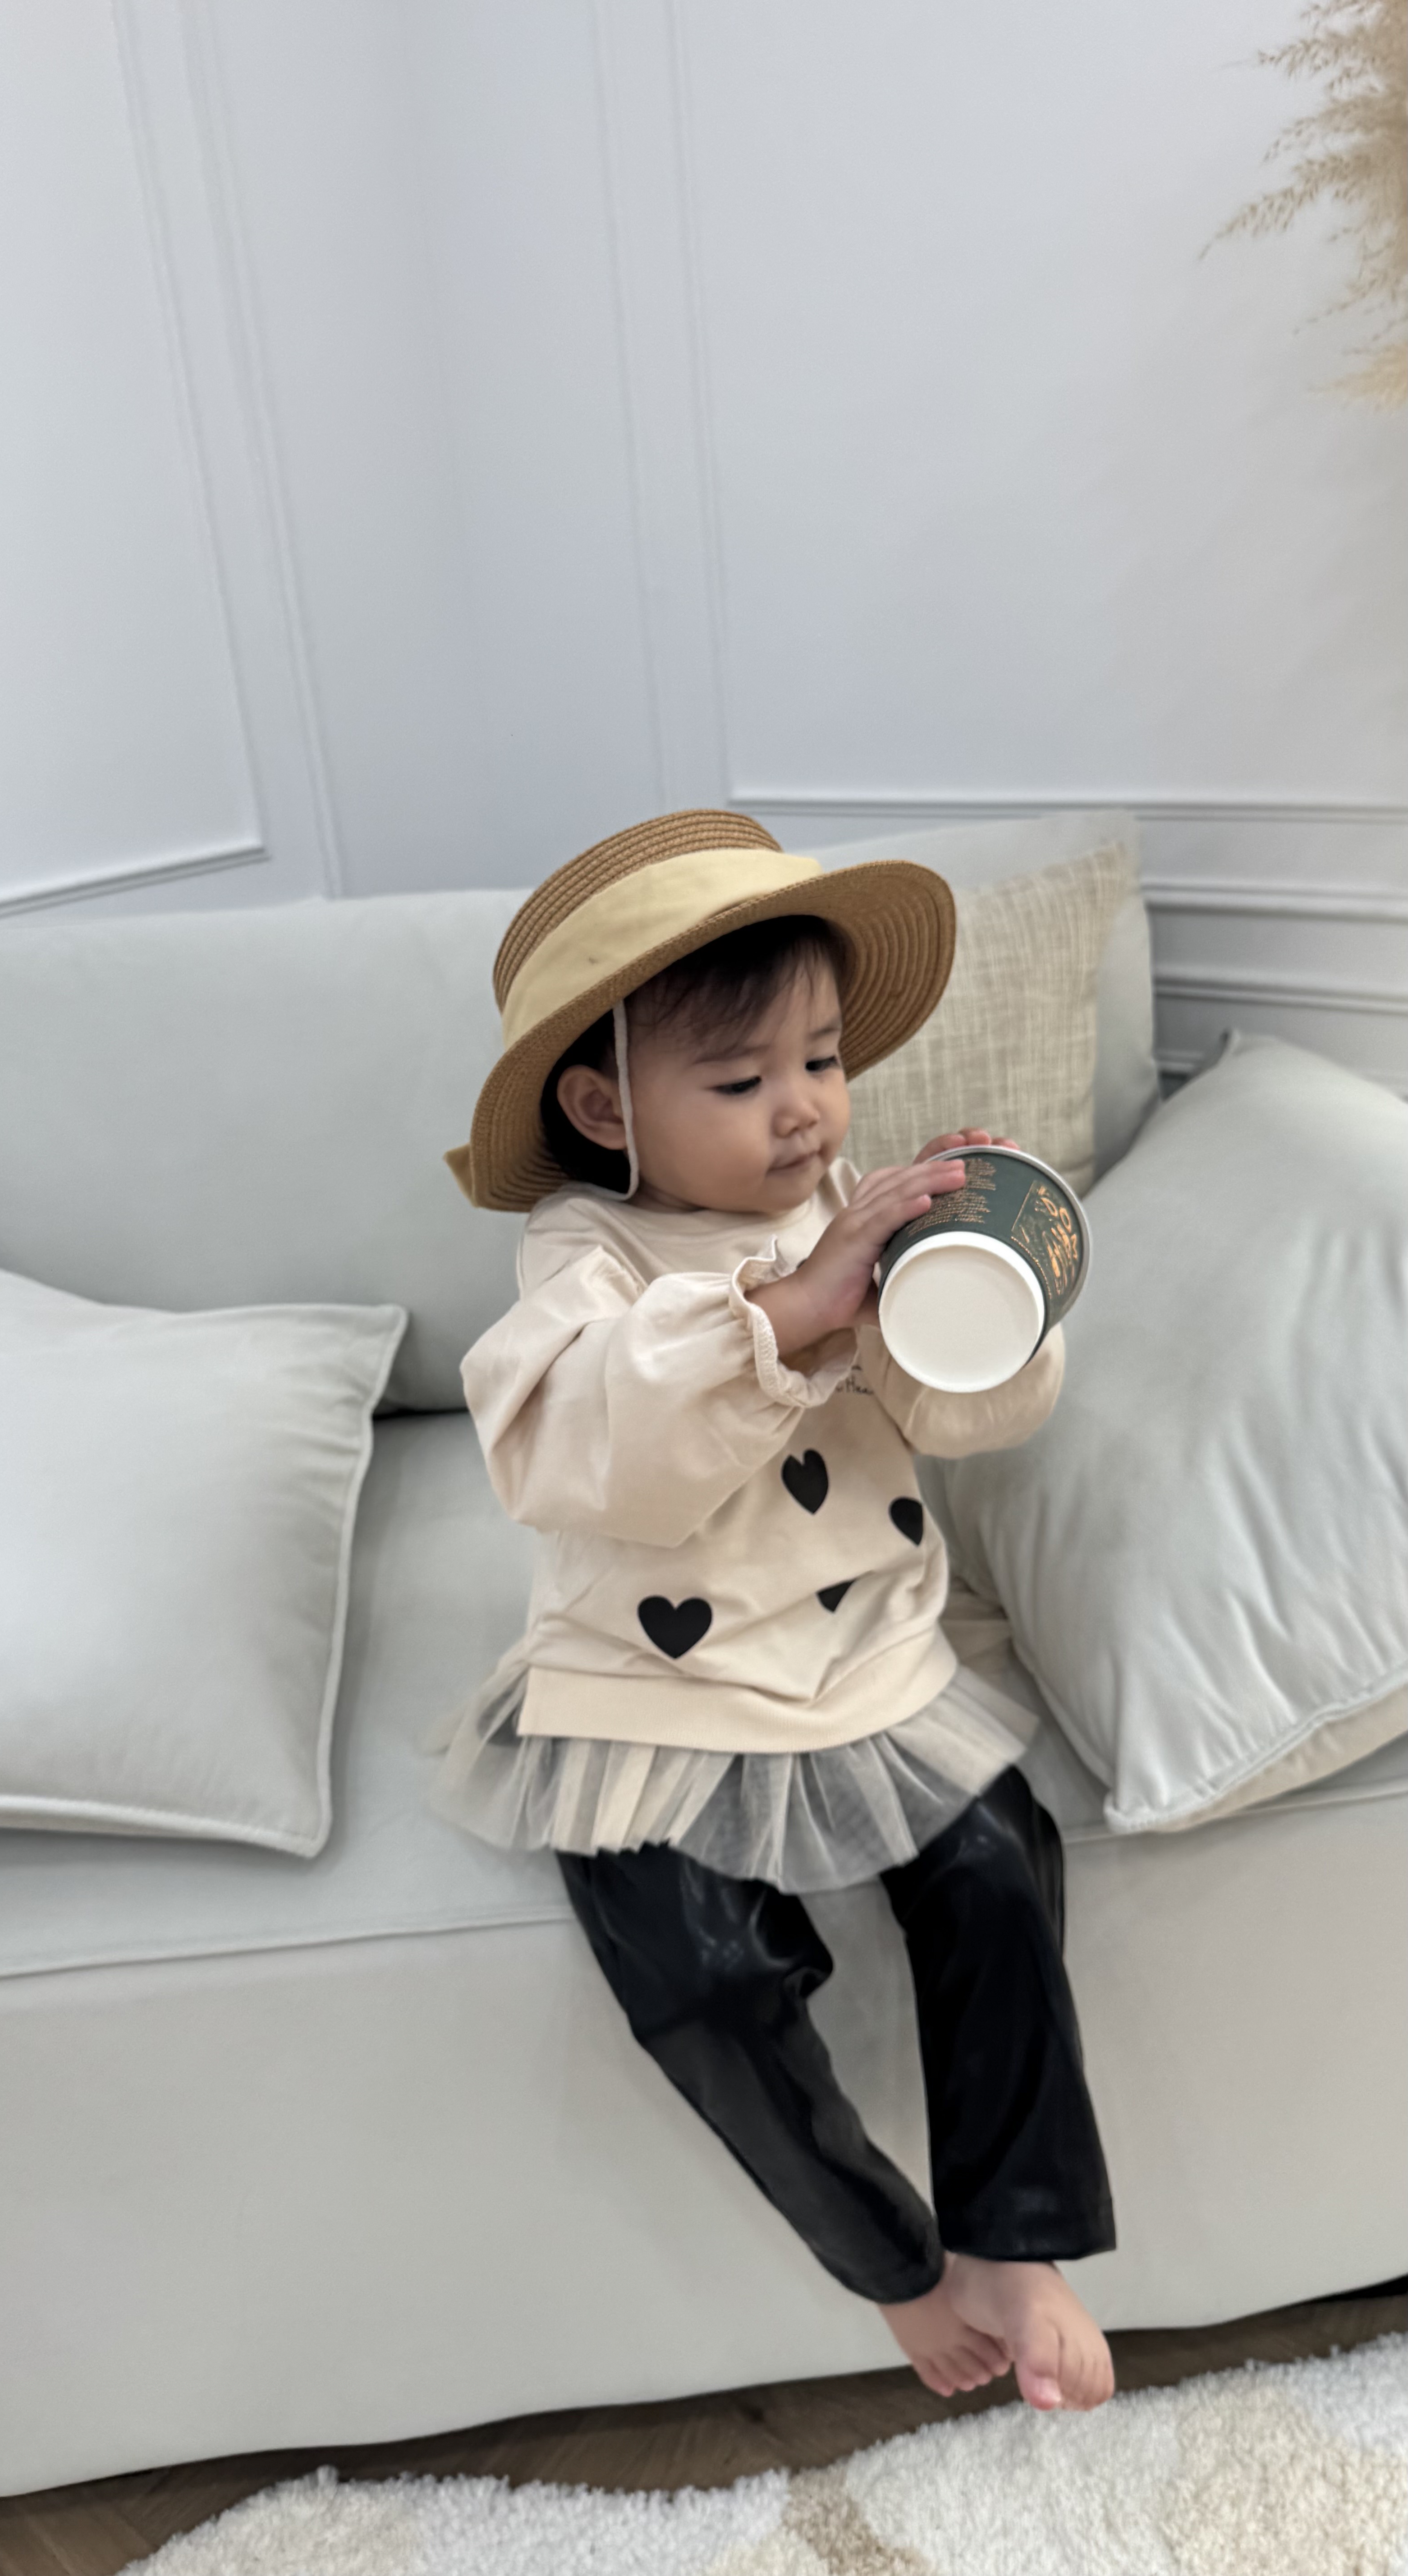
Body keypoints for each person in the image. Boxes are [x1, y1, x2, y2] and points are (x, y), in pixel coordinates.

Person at [437, 808, 1116, 2412]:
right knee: (700, 1976)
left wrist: (967, 1289)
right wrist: (788, 1311)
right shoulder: (584, 1251)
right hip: (654, 1679)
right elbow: (582, 1444)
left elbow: (961, 1417)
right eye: (743, 1082)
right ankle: (895, 2264)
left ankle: (1016, 2238)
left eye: (822, 1060)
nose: (805, 1107)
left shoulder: (856, 1206)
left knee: (999, 1868)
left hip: (862, 1649)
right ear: (606, 1106)